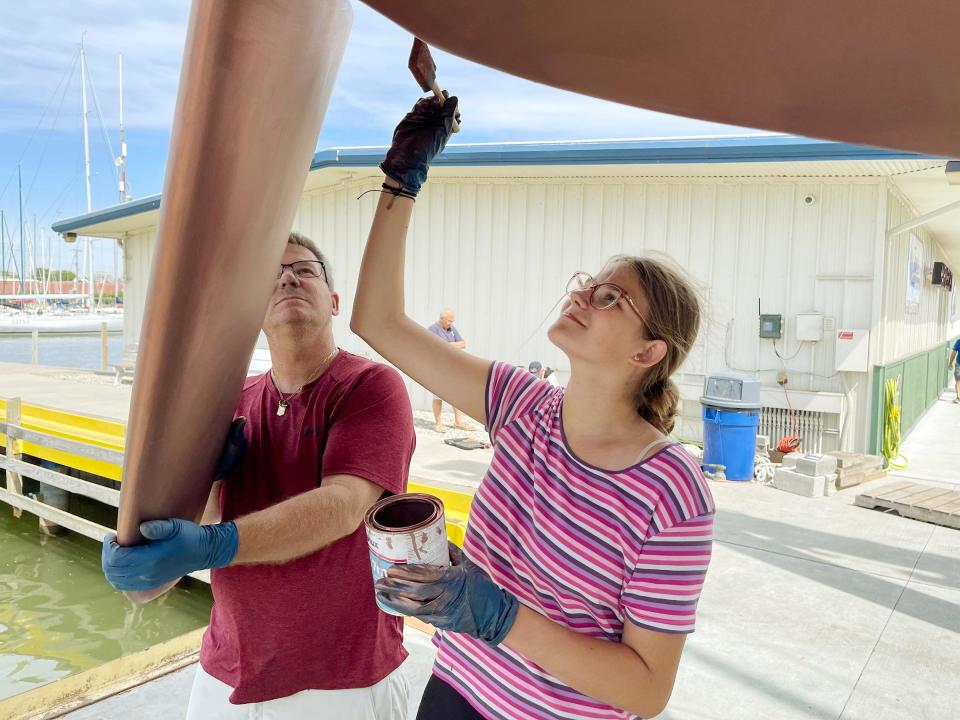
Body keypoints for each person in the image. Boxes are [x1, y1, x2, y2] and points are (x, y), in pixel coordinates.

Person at [351, 96, 714, 720]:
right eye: (586, 282)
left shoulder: (670, 490)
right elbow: (376, 320)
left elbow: (646, 691)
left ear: (648, 352)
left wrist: (496, 615)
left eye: (609, 296)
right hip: (455, 690)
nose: (580, 293)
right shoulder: (523, 405)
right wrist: (401, 182)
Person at [102, 232, 415, 719]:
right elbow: (203, 517)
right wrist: (160, 531)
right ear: (253, 310)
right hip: (226, 673)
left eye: (305, 270)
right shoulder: (230, 401)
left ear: (334, 301)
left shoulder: (370, 386)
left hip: (341, 682)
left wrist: (212, 546)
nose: (288, 277)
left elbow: (344, 507)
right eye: (271, 275)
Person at [427, 309, 474, 432]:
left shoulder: (452, 329)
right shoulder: (432, 330)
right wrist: (450, 345)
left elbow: (463, 344)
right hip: (438, 368)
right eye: (449, 321)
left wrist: (447, 345)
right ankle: (438, 424)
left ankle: (458, 422)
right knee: (438, 396)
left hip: (453, 367)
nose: (451, 323)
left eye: (452, 321)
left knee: (456, 394)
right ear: (441, 319)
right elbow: (436, 347)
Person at [951, 336, 960, 403]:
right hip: (958, 364)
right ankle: (958, 397)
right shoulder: (958, 341)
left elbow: (954, 353)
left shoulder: (958, 341)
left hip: (958, 364)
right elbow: (954, 352)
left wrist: (950, 362)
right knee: (958, 380)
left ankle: (958, 397)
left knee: (958, 381)